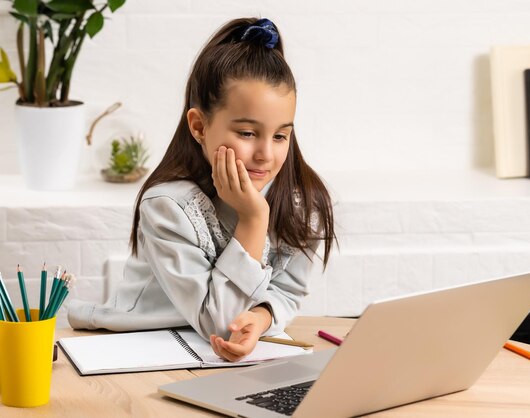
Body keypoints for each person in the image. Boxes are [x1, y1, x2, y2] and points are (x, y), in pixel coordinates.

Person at [68, 17, 335, 362]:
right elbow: (220, 325)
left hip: (222, 361)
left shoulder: (301, 204)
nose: (266, 155)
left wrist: (260, 316)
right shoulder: (168, 206)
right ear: (199, 126)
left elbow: (287, 290)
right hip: (143, 350)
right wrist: (253, 220)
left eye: (281, 135)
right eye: (247, 133)